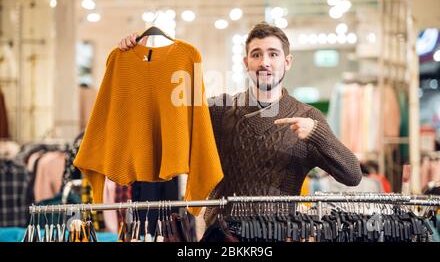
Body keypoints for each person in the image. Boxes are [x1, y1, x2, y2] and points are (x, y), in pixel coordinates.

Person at [118, 22, 362, 225]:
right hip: (222, 235)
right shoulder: (219, 110)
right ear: (247, 63)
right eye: (256, 54)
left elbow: (353, 175)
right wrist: (142, 60)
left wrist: (317, 134)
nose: (264, 62)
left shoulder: (308, 117)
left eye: (273, 54)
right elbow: (160, 113)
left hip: (278, 233)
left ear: (287, 62)